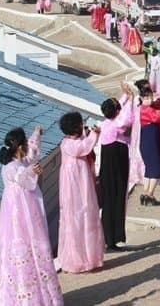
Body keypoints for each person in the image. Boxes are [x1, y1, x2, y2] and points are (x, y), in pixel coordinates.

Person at [0, 128, 63, 305]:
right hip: (18, 212)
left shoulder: (21, 161)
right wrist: (33, 171)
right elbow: (21, 176)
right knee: (23, 244)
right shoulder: (10, 167)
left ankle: (41, 294)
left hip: (26, 209)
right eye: (25, 142)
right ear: (20, 146)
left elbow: (32, 155)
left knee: (34, 244)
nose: (28, 144)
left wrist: (36, 134)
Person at [58, 112, 104, 273]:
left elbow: (83, 144)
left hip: (81, 179)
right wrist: (94, 135)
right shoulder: (68, 144)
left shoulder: (70, 141)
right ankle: (78, 259)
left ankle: (89, 257)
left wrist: (89, 134)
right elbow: (83, 148)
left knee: (86, 213)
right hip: (75, 183)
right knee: (77, 216)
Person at [99, 83, 136, 251]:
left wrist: (126, 95)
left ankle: (110, 238)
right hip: (116, 161)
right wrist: (131, 99)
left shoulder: (106, 122)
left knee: (109, 200)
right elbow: (126, 118)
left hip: (109, 162)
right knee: (117, 198)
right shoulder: (116, 124)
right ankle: (113, 238)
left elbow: (117, 109)